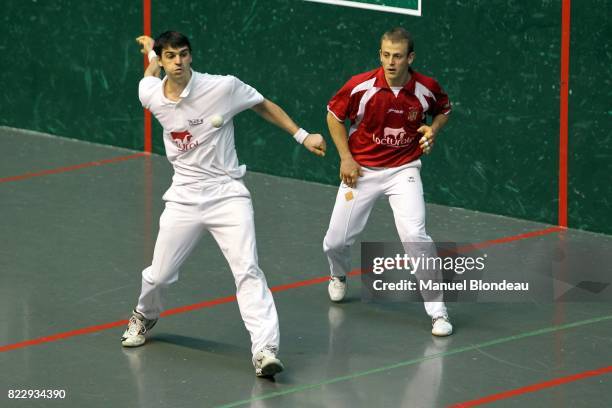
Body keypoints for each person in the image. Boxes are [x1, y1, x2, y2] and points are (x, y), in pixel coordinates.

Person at [121, 31, 327, 377]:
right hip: (184, 197)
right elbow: (148, 79)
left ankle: (265, 350)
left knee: (247, 270)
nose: (179, 62)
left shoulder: (222, 87)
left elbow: (261, 104)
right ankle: (144, 314)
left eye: (184, 55)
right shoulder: (152, 95)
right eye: (170, 56)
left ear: (191, 56)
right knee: (158, 277)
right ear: (163, 59)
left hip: (227, 194)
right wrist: (150, 54)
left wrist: (302, 135)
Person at [322, 27, 453, 336]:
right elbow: (334, 116)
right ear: (379, 54)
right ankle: (338, 275)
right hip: (362, 171)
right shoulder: (360, 86)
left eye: (397, 56)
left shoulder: (426, 88)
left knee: (415, 237)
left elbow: (444, 110)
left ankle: (438, 312)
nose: (391, 62)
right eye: (385, 55)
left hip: (403, 170)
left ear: (410, 57)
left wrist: (433, 130)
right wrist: (346, 158)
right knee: (335, 241)